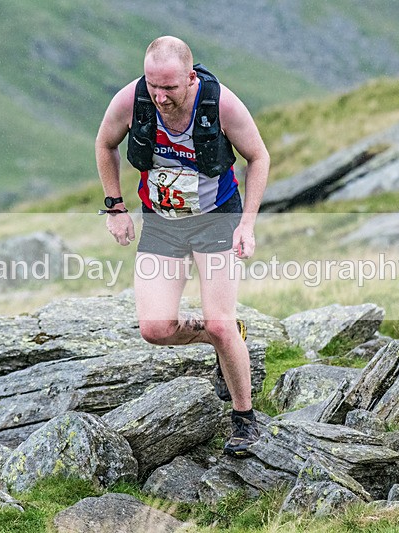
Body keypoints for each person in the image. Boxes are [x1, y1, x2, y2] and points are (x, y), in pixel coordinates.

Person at [95, 36, 269, 457]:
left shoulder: (221, 105)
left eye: (170, 87)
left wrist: (247, 223)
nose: (160, 96)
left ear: (190, 78)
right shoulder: (131, 101)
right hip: (163, 224)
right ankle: (220, 341)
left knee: (221, 322)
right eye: (153, 85)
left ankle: (244, 419)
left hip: (216, 220)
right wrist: (116, 207)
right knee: (155, 329)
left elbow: (258, 157)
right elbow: (104, 144)